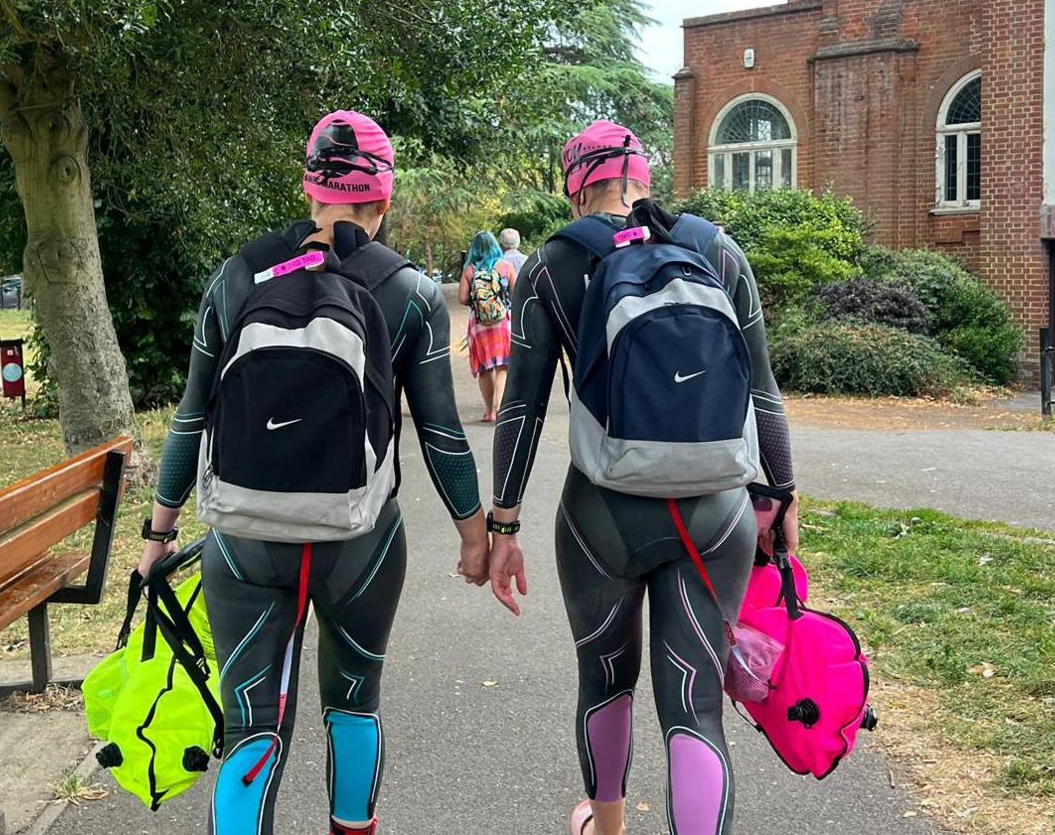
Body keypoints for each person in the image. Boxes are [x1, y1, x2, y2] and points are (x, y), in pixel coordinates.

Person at [138, 110, 488, 835]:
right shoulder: (411, 293)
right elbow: (442, 433)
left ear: (308, 190)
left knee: (251, 724)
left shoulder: (236, 278)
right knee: (355, 703)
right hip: (360, 541)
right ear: (383, 200)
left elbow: (191, 417)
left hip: (243, 539)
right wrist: (476, 534)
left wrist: (158, 532)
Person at [486, 120, 801, 835]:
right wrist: (779, 496)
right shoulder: (716, 249)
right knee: (694, 705)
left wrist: (503, 523)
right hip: (715, 512)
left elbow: (523, 410)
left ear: (575, 187)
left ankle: (606, 826)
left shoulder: (551, 267)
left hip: (603, 514)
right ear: (644, 177)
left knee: (605, 680)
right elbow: (763, 393)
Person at [458, 231, 517, 422]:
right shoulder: (505, 267)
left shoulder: (470, 270)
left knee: (485, 368)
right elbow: (516, 296)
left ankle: (489, 412)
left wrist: (479, 304)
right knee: (503, 365)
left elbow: (462, 298)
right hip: (502, 323)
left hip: (478, 326)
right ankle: (499, 406)